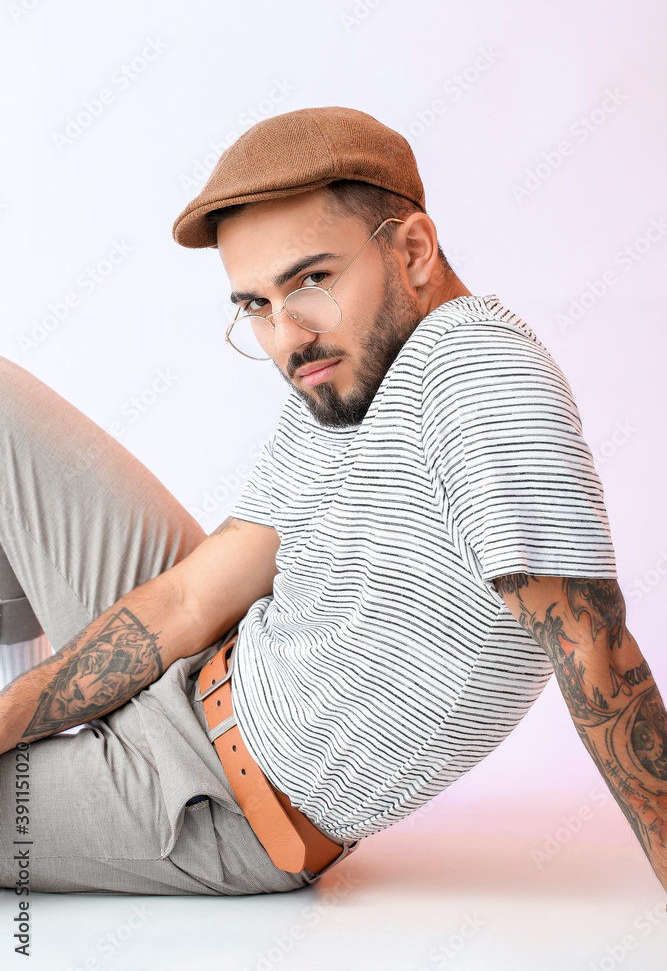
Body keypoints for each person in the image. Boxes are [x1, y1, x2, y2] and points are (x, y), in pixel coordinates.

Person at [1, 106, 665, 898]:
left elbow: (595, 652)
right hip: (208, 662)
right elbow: (188, 598)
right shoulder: (348, 369)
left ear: (413, 249)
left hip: (214, 807)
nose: (287, 336)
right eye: (255, 305)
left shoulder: (479, 376)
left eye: (311, 280)